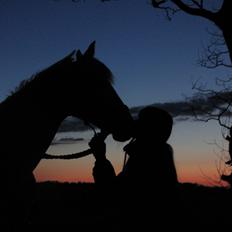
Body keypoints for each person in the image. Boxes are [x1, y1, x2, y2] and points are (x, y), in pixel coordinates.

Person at [89, 106, 179, 229]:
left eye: (140, 121)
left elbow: (113, 194)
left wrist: (100, 158)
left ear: (149, 128)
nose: (135, 124)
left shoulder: (149, 157)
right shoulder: (156, 153)